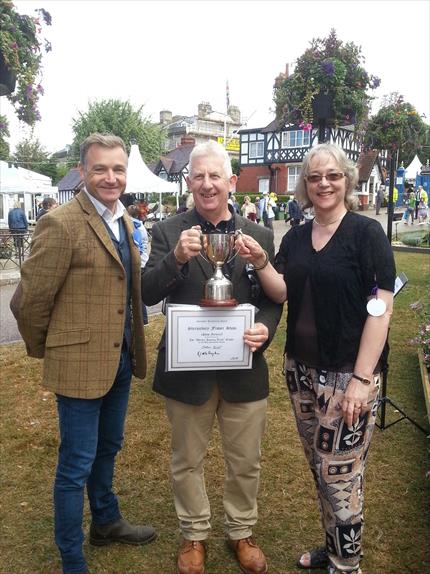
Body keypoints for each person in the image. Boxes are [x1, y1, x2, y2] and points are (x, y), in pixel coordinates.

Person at [235, 143, 396, 574]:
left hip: (348, 376)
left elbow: (380, 309)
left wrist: (362, 380)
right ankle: (336, 546)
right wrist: (263, 261)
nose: (324, 183)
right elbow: (282, 289)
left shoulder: (367, 235)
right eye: (314, 177)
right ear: (305, 186)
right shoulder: (297, 236)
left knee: (341, 477)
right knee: (321, 469)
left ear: (346, 180)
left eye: (333, 175)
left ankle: (347, 565)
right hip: (301, 371)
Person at [10, 133, 156, 574]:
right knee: (76, 462)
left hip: (121, 359)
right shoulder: (62, 223)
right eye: (100, 169)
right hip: (77, 363)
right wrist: (51, 350)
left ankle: (106, 522)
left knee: (109, 445)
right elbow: (29, 300)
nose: (110, 177)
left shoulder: (124, 219)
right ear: (83, 172)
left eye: (117, 169)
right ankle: (71, 557)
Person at [141, 140, 282, 574]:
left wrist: (266, 329)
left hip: (243, 367)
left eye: (215, 176)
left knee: (246, 460)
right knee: (187, 459)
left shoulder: (257, 235)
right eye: (198, 176)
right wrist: (177, 260)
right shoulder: (167, 231)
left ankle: (241, 530)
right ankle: (194, 534)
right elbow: (145, 293)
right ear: (189, 181)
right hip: (188, 371)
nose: (207, 184)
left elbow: (273, 298)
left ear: (231, 182)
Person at [126, 204, 150, 325]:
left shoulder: (132, 225)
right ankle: (144, 319)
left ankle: (142, 319)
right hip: (143, 262)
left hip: (137, 263)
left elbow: (137, 248)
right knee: (138, 293)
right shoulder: (140, 225)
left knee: (136, 293)